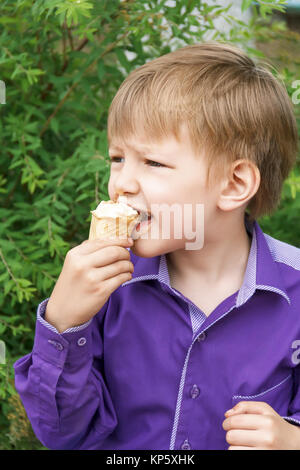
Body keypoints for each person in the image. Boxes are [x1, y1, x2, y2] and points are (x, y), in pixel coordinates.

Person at [14, 41, 300, 450]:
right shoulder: (105, 288)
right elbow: (64, 433)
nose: (122, 183)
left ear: (235, 184)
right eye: (117, 158)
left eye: (152, 163)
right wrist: (63, 323)